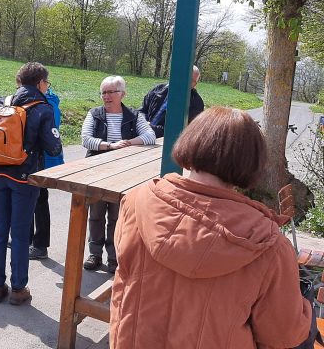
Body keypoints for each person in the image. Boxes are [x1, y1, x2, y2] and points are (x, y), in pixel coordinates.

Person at [110, 107, 312, 348]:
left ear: (191, 140)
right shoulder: (270, 247)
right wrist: (305, 305)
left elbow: (122, 283)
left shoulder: (136, 201)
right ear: (252, 162)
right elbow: (283, 334)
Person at [0, 62, 62, 305]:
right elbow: (53, 147)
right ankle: (18, 288)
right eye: (46, 83)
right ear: (40, 83)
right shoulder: (42, 108)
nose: (47, 87)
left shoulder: (0, 103)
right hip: (24, 177)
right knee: (21, 233)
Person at [81, 76, 155, 273]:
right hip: (98, 173)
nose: (106, 96)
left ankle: (114, 257)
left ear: (122, 94)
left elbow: (150, 136)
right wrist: (110, 146)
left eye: (111, 92)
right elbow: (86, 139)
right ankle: (95, 254)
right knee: (96, 215)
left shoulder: (134, 116)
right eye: (103, 92)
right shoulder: (94, 114)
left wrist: (129, 143)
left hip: (124, 175)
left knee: (117, 217)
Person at [29, 85, 64, 260]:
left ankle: (41, 245)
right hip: (30, 160)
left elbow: (49, 133)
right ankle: (27, 239)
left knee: (40, 201)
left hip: (42, 160)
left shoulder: (49, 104)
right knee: (28, 200)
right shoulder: (38, 100)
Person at [139, 65, 204, 138]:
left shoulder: (196, 103)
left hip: (162, 140)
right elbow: (142, 110)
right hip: (141, 131)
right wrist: (143, 123)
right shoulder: (158, 89)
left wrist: (151, 128)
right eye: (184, 77)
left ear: (194, 84)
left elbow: (184, 131)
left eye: (191, 80)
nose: (185, 81)